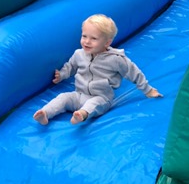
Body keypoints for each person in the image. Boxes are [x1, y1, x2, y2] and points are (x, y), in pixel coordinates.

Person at [33, 14, 162, 126]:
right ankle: (45, 114)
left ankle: (82, 114)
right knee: (63, 97)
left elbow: (134, 73)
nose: (87, 42)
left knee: (94, 103)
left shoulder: (116, 59)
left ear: (107, 42)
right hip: (79, 94)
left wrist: (148, 90)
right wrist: (61, 75)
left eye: (93, 38)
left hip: (102, 97)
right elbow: (71, 66)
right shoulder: (79, 54)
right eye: (84, 36)